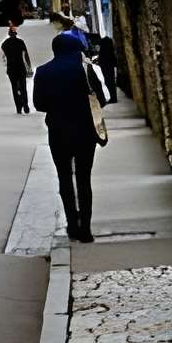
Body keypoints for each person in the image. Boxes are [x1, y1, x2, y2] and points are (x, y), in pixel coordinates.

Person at [34, 29, 106, 242]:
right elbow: (101, 99)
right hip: (85, 132)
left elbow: (39, 104)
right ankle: (86, 229)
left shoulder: (43, 72)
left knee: (64, 178)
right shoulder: (85, 69)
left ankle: (72, 225)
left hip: (58, 132)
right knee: (84, 179)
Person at [2, 24, 32, 114]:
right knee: (23, 87)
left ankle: (18, 107)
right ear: (16, 34)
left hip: (11, 68)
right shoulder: (21, 42)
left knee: (14, 88)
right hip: (20, 67)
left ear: (9, 34)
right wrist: (29, 67)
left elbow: (4, 58)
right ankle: (25, 104)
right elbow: (26, 56)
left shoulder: (5, 44)